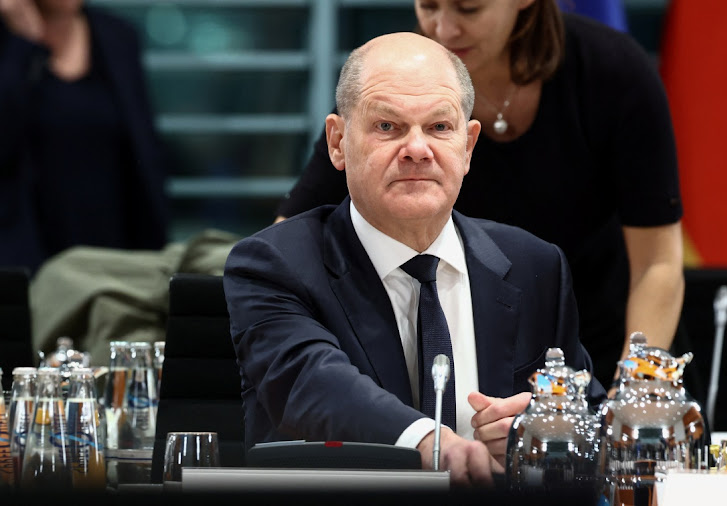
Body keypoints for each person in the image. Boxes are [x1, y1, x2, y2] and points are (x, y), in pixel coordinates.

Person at [224, 31, 606, 487]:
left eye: (439, 128)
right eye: (388, 127)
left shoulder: (533, 265)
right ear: (338, 142)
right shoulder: (273, 264)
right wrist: (428, 442)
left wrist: (553, 432)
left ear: (467, 146)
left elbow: (591, 416)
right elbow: (313, 384)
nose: (417, 149)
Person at [274, 0, 685, 391]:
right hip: (454, 349)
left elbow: (658, 264)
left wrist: (635, 391)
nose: (444, 28)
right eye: (429, 6)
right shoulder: (398, 81)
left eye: (469, 8)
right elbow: (290, 241)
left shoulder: (610, 70)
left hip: (609, 341)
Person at [0, 0, 168, 274]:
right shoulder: (9, 40)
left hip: (115, 253)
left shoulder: (117, 36)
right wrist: (23, 43)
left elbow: (146, 150)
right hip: (27, 256)